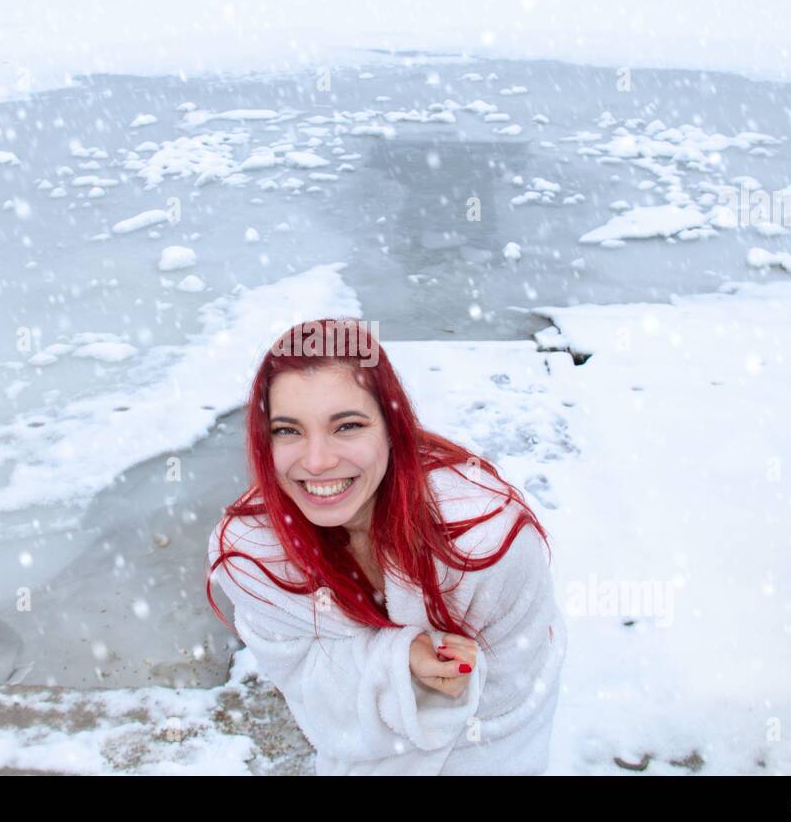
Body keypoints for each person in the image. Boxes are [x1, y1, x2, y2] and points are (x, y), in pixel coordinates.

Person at [205, 316, 567, 774]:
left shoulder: (485, 543)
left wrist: (438, 692)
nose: (317, 462)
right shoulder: (255, 556)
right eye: (288, 430)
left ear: (392, 429)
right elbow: (307, 689)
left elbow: (511, 706)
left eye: (347, 426)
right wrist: (399, 668)